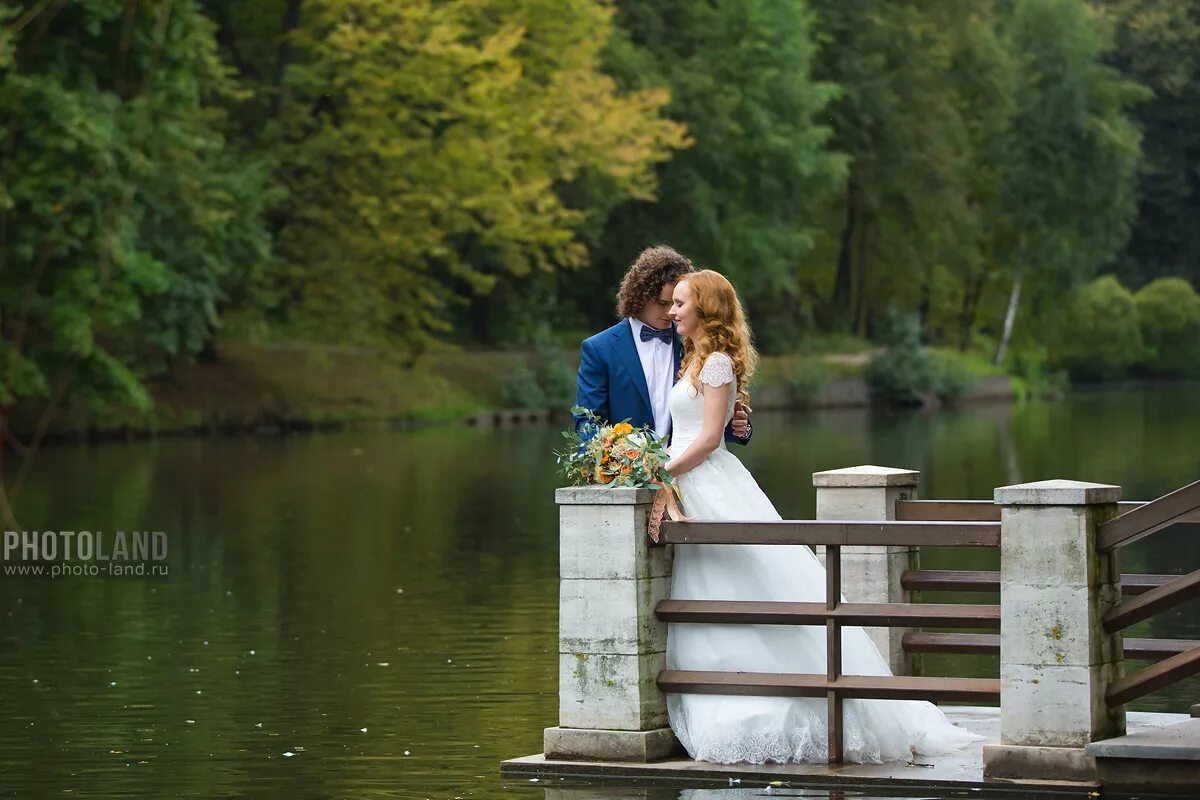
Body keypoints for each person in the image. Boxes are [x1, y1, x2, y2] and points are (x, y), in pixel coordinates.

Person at [663, 269, 982, 764]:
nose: (672, 311)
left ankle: (789, 703)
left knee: (747, 582)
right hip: (689, 482)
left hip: (705, 479)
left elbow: (708, 440)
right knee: (708, 587)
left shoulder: (718, 363)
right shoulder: (692, 359)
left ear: (706, 307)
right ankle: (719, 696)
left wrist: (658, 470)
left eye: (681, 303)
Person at [573, 245, 750, 444]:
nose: (670, 312)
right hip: (626, 473)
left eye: (678, 303)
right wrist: (609, 468)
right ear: (640, 295)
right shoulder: (599, 349)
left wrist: (739, 427)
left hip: (688, 469)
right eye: (662, 303)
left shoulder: (696, 344)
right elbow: (587, 425)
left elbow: (707, 423)